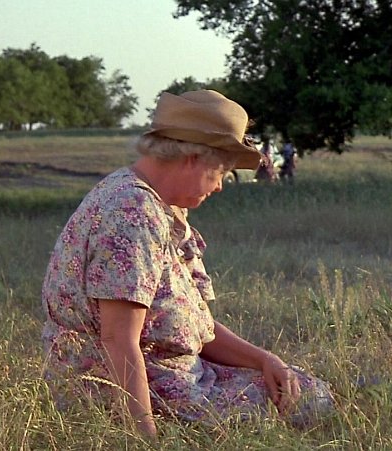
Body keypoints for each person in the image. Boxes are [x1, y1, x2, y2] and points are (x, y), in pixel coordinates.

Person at [41, 90, 334, 438]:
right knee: (306, 401)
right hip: (126, 392)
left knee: (295, 384)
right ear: (194, 158)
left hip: (175, 375)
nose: (220, 186)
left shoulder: (156, 204)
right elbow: (118, 339)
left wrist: (264, 359)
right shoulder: (131, 211)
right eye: (221, 171)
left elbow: (192, 327)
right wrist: (144, 439)